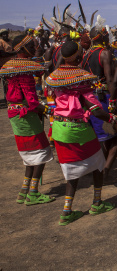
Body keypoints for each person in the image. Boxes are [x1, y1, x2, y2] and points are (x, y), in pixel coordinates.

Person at [46, 40, 115, 225]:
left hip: (60, 129)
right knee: (99, 164)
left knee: (71, 171)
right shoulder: (82, 77)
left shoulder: (55, 76)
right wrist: (114, 119)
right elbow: (95, 109)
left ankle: (67, 211)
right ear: (78, 56)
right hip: (78, 129)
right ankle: (97, 203)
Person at [0, 34, 54, 205]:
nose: (34, 49)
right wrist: (48, 110)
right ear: (22, 48)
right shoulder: (24, 69)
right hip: (25, 114)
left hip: (15, 114)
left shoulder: (11, 66)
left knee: (30, 154)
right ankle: (33, 192)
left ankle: (24, 190)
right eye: (31, 47)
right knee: (42, 152)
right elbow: (31, 100)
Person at [81, 26, 117, 179]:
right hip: (102, 98)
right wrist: (113, 99)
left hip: (89, 98)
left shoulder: (86, 54)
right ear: (102, 37)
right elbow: (110, 79)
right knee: (114, 135)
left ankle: (100, 169)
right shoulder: (105, 53)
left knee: (101, 136)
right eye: (106, 36)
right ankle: (103, 171)